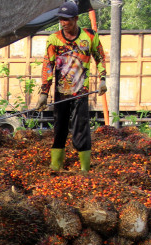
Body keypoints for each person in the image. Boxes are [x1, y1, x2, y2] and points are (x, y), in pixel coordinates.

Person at [36, 1, 107, 172]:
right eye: (61, 19)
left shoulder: (90, 37)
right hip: (61, 94)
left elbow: (100, 57)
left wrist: (103, 79)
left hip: (80, 93)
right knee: (59, 129)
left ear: (76, 19)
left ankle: (84, 168)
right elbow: (48, 66)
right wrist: (44, 93)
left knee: (81, 130)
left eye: (67, 19)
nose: (63, 23)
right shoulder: (54, 39)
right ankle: (56, 166)